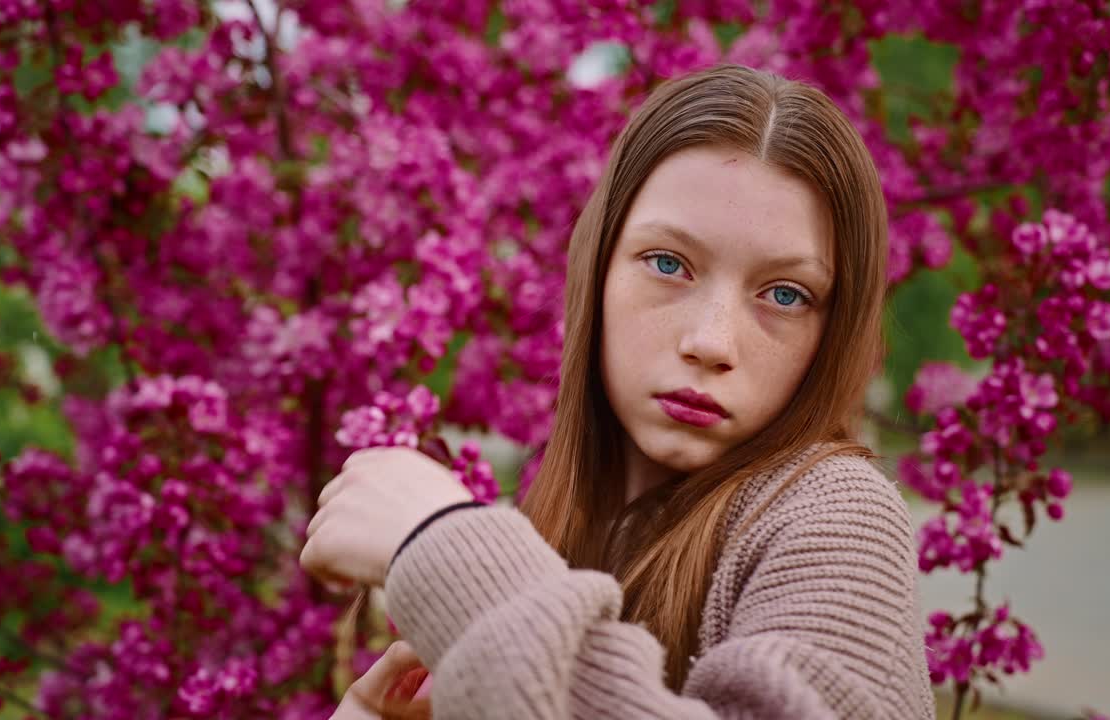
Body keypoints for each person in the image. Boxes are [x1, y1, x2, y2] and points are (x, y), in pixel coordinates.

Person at [300, 62, 936, 719]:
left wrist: (447, 552)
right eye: (669, 264)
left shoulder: (834, 514)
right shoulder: (568, 529)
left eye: (785, 294)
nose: (712, 342)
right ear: (596, 269)